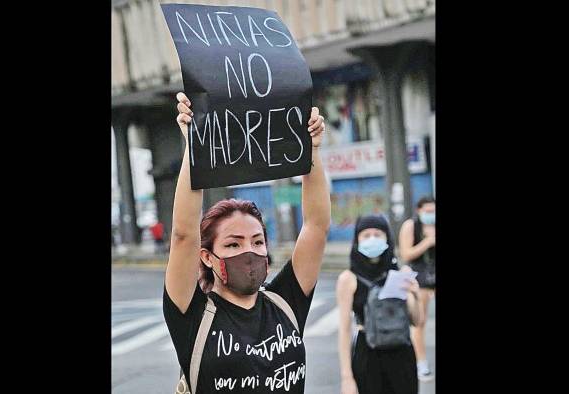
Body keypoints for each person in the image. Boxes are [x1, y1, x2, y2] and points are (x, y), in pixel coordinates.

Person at [163, 92, 330, 394]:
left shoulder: (285, 303)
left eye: (256, 241)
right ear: (207, 256)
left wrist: (313, 152)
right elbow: (183, 234)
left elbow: (316, 227)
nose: (248, 251)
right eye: (232, 245)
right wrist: (195, 147)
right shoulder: (192, 315)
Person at [336, 214, 422, 394]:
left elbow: (417, 321)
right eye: (366, 235)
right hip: (367, 354)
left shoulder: (401, 274)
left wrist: (415, 294)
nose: (372, 239)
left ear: (387, 239)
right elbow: (344, 330)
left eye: (378, 234)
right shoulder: (348, 279)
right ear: (357, 240)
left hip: (402, 353)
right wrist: (346, 377)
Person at [398, 196, 436, 381]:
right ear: (419, 210)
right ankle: (421, 363)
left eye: (433, 211)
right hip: (419, 278)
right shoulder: (411, 226)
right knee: (419, 322)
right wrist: (427, 242)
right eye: (427, 211)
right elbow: (406, 254)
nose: (431, 215)